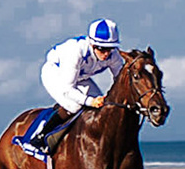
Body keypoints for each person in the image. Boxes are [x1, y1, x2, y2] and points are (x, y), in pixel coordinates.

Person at [20, 19, 124, 156]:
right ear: (92, 44)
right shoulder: (75, 52)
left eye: (110, 49)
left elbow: (120, 79)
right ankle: (39, 137)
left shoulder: (114, 56)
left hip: (80, 78)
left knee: (102, 109)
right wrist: (90, 101)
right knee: (74, 106)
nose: (106, 54)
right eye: (102, 49)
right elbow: (68, 89)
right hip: (56, 74)